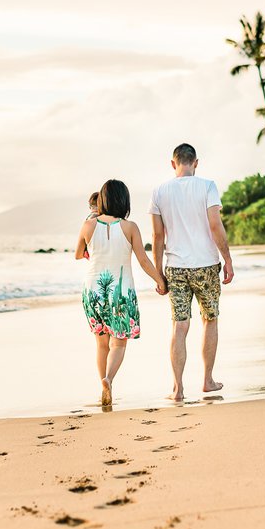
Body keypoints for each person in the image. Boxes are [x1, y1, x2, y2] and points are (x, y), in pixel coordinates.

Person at [149, 143, 234, 401]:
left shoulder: (159, 191)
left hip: (175, 267)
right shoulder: (207, 186)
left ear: (173, 163)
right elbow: (215, 225)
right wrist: (227, 259)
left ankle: (178, 388)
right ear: (195, 162)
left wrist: (158, 274)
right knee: (210, 319)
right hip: (206, 265)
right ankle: (207, 381)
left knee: (180, 325)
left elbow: (157, 235)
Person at [76, 180, 166, 406]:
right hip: (121, 291)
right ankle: (109, 378)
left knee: (101, 344)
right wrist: (160, 280)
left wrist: (93, 251)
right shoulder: (130, 227)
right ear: (124, 201)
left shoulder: (88, 226)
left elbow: (79, 254)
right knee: (118, 343)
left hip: (93, 290)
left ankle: (103, 386)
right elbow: (143, 260)